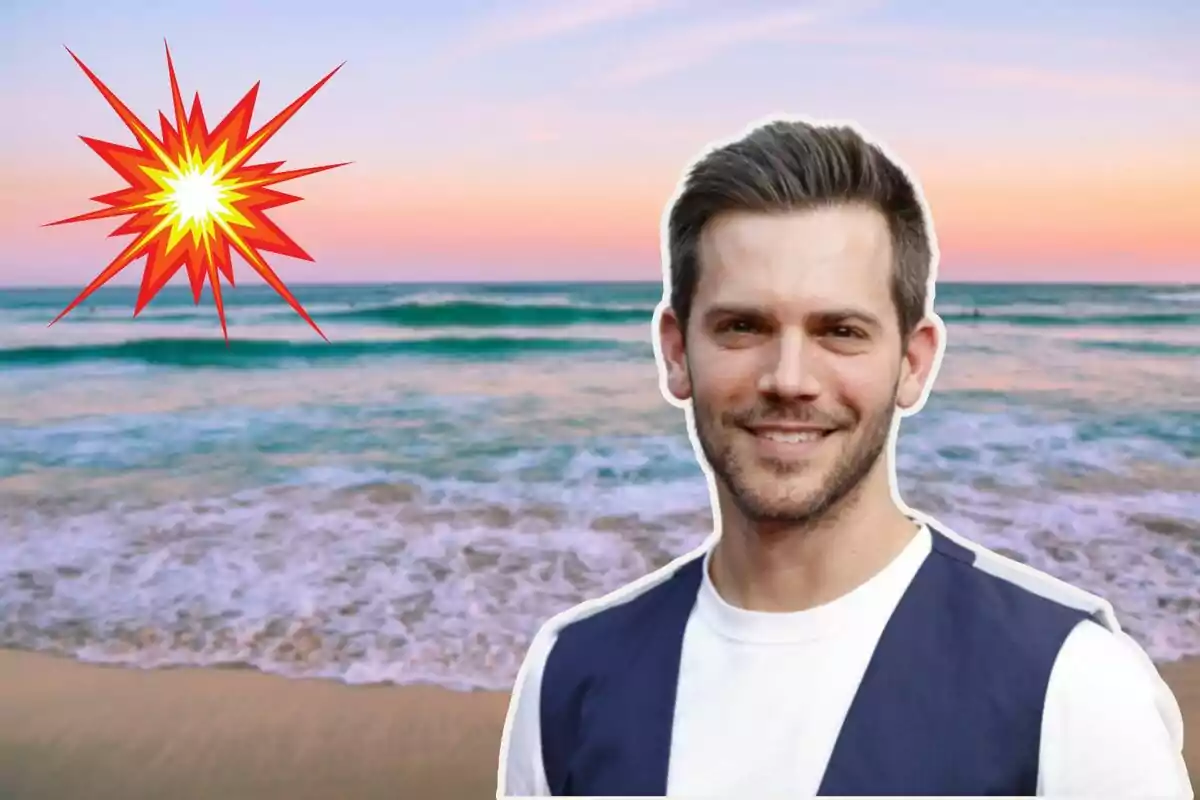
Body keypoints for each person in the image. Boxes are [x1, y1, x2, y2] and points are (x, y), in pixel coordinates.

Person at [497, 118, 1193, 797]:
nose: (789, 377)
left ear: (914, 363)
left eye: (841, 331)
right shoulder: (569, 676)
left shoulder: (1075, 685)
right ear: (676, 353)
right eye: (743, 327)